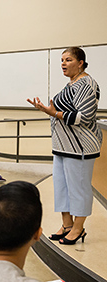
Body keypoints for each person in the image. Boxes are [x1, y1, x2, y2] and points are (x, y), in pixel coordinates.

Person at [27, 47, 102, 245]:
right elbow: (59, 110)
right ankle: (67, 224)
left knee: (79, 188)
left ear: (81, 63)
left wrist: (54, 113)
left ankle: (78, 228)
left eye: (68, 60)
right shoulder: (71, 84)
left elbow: (84, 117)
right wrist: (46, 109)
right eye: (62, 60)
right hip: (62, 145)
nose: (63, 63)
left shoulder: (86, 84)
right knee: (62, 187)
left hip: (80, 147)